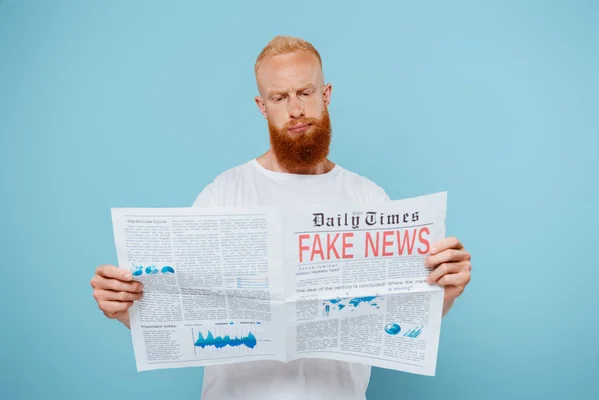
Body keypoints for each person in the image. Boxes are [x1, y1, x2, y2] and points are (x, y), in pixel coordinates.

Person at [90, 35, 472, 400]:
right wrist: (124, 309)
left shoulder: (368, 198)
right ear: (262, 106)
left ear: (326, 95)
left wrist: (446, 294)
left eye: (305, 93)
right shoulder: (224, 195)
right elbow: (182, 319)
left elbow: (399, 319)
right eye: (280, 97)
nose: (295, 109)